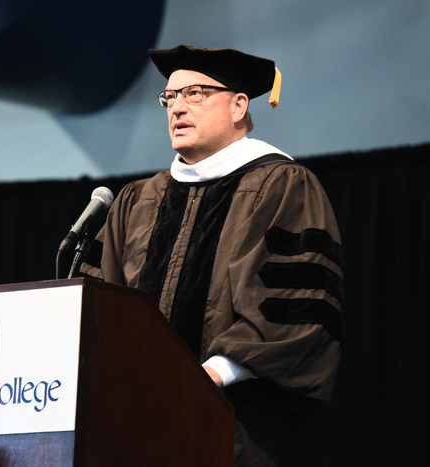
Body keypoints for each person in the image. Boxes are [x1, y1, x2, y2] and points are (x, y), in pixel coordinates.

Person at [80, 45, 343, 466]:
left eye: (195, 93)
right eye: (169, 97)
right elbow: (100, 310)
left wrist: (208, 377)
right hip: (136, 431)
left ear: (239, 105)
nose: (177, 108)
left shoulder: (283, 187)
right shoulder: (136, 202)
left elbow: (297, 308)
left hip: (242, 432)